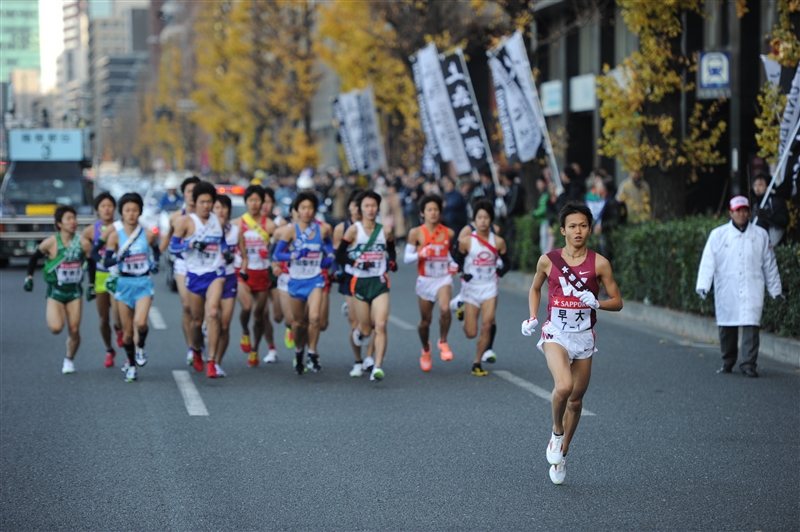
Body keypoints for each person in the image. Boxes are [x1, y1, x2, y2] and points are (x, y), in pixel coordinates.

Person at [522, 201, 623, 485]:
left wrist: (599, 303)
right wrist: (532, 316)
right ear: (563, 230)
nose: (578, 231)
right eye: (572, 226)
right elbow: (535, 288)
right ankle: (556, 432)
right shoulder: (548, 260)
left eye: (583, 226)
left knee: (576, 401)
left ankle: (563, 453)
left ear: (589, 229)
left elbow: (619, 302)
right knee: (563, 386)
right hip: (556, 332)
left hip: (584, 336)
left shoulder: (600, 263)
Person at [696, 196, 783, 378]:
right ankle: (728, 360)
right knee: (727, 326)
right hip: (727, 286)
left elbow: (769, 264)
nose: (742, 214)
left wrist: (775, 289)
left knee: (751, 324)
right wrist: (704, 285)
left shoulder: (760, 235)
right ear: (731, 213)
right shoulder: (718, 235)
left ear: (749, 212)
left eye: (745, 210)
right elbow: (707, 262)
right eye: (738, 211)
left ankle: (748, 364)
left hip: (752, 285)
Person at [24, 205, 96, 374]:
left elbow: (91, 263)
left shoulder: (83, 243)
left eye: (74, 218)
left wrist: (91, 285)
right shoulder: (50, 243)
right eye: (68, 219)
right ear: (59, 223)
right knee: (56, 328)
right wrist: (29, 277)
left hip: (74, 292)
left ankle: (69, 359)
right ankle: (67, 352)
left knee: (74, 329)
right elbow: (34, 258)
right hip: (55, 292)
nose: (73, 222)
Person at [336, 190, 398, 382]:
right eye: (366, 206)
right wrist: (357, 264)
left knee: (379, 325)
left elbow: (392, 251)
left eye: (373, 206)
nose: (370, 210)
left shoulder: (385, 231)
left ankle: (377, 366)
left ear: (378, 208)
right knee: (364, 330)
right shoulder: (353, 230)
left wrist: (392, 263)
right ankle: (359, 348)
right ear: (360, 209)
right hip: (359, 282)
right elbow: (340, 255)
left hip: (379, 281)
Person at [170, 181, 228, 378]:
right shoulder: (185, 222)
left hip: (215, 274)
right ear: (195, 202)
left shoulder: (218, 221)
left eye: (209, 202)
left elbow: (223, 243)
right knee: (196, 321)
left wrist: (227, 253)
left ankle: (211, 361)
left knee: (213, 313)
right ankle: (196, 348)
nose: (206, 206)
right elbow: (173, 247)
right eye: (202, 202)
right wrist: (191, 243)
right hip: (194, 275)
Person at [272, 191, 334, 375]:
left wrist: (329, 259)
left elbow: (330, 249)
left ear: (315, 210)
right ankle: (299, 351)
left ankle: (312, 353)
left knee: (314, 317)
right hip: (296, 281)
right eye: (303, 208)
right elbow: (277, 254)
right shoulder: (290, 230)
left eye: (310, 208)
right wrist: (294, 255)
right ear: (297, 210)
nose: (307, 211)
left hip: (315, 280)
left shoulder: (322, 230)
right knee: (298, 323)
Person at [100, 193, 160, 382]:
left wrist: (155, 263)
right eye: (127, 210)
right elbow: (107, 260)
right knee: (126, 335)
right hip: (123, 284)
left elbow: (156, 251)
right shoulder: (114, 237)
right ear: (122, 213)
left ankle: (140, 346)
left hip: (142, 283)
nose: (131, 214)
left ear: (140, 212)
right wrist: (118, 259)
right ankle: (131, 364)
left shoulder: (148, 234)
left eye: (135, 210)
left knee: (140, 323)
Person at [452, 198, 510, 376]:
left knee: (486, 324)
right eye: (479, 218)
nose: (483, 221)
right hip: (472, 289)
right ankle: (461, 308)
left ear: (490, 219)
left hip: (489, 288)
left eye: (486, 217)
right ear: (474, 220)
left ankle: (477, 362)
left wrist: (500, 271)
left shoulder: (498, 242)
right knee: (471, 332)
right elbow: (457, 262)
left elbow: (507, 263)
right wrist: (463, 273)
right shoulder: (466, 242)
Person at [405, 194, 458, 371]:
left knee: (445, 309)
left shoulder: (448, 232)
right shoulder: (416, 233)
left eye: (436, 209)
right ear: (422, 213)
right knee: (425, 321)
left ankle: (443, 341)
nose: (433, 213)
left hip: (442, 278)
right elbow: (406, 258)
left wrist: (453, 265)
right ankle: (426, 349)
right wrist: (421, 254)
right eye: (429, 210)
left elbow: (449, 255)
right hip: (425, 280)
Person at [332, 188, 377, 377]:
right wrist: (338, 271)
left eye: (362, 205)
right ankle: (357, 360)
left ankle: (369, 358)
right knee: (356, 322)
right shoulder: (342, 228)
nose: (358, 209)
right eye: (355, 205)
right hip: (350, 277)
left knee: (373, 321)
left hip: (372, 277)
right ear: (350, 207)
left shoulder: (376, 227)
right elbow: (337, 254)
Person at [233, 185, 278, 366]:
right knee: (246, 306)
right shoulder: (237, 223)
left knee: (260, 315)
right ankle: (244, 331)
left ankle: (255, 349)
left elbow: (280, 246)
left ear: (262, 202)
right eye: (250, 200)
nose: (254, 203)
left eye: (257, 200)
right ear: (246, 202)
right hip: (242, 271)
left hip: (262, 273)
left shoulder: (270, 225)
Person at [161, 175, 201, 366]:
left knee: (202, 311)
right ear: (183, 194)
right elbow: (168, 240)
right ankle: (191, 347)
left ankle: (202, 336)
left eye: (196, 192)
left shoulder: (210, 218)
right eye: (188, 192)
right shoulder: (175, 217)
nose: (192, 196)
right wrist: (152, 255)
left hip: (205, 266)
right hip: (183, 265)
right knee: (187, 307)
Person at [81, 192, 121, 367]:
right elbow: (87, 258)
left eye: (110, 206)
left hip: (118, 276)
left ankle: (120, 331)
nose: (106, 209)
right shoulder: (91, 230)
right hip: (100, 276)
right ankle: (109, 349)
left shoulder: (121, 227)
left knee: (119, 317)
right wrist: (89, 282)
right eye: (103, 206)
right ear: (97, 209)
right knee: (104, 318)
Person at [212, 194, 240, 377]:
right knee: (209, 316)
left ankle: (216, 362)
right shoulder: (205, 230)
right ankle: (203, 352)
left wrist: (236, 260)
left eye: (224, 207)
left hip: (229, 278)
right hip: (210, 278)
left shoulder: (236, 231)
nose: (220, 211)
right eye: (217, 207)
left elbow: (241, 255)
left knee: (225, 324)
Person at [751, 173, 790, 247]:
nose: (757, 188)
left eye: (760, 185)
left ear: (768, 186)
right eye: (755, 185)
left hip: (773, 245)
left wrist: (765, 214)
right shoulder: (756, 203)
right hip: (759, 245)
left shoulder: (775, 200)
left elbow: (784, 220)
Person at [532, 175, 552, 254]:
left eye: (539, 183)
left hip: (546, 221)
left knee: (545, 243)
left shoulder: (546, 195)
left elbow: (543, 209)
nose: (538, 185)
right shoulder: (543, 194)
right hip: (543, 221)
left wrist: (535, 213)